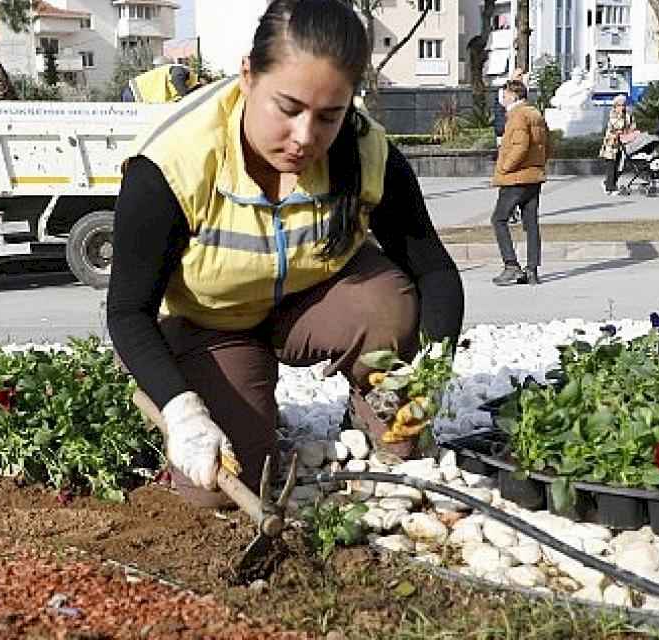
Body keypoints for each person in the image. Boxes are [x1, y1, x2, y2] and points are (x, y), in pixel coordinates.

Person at [106, 0, 464, 506]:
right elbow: (126, 312)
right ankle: (236, 392)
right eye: (289, 108)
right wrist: (182, 412)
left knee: (386, 301)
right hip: (212, 323)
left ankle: (377, 413)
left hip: (308, 303)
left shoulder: (367, 153)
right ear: (248, 75)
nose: (304, 138)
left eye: (328, 116)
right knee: (223, 487)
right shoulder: (172, 164)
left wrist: (429, 375)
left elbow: (434, 270)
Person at [489, 79, 550, 287]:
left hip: (516, 178)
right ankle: (532, 270)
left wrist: (505, 166)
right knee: (531, 223)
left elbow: (521, 145)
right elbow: (547, 144)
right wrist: (539, 165)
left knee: (499, 219)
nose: (502, 99)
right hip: (534, 177)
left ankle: (511, 265)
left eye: (504, 95)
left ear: (514, 95)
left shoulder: (517, 116)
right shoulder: (535, 113)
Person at [122, 56, 198, 103]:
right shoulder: (181, 69)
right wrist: (187, 98)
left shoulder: (172, 70)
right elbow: (176, 78)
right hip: (134, 93)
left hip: (135, 93)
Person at [599, 95, 635, 195]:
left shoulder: (628, 115)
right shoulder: (613, 114)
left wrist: (630, 131)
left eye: (624, 105)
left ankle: (609, 183)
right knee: (611, 165)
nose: (622, 107)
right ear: (615, 106)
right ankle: (610, 188)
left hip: (621, 144)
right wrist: (624, 131)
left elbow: (632, 126)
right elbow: (616, 127)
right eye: (619, 105)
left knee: (619, 166)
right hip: (611, 144)